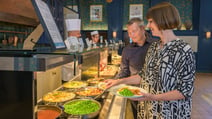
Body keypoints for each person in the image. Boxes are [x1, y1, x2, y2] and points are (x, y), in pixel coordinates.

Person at [105, 2, 196, 119]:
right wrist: (117, 82)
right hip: (148, 110)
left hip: (170, 113)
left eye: (151, 21)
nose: (148, 26)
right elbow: (143, 75)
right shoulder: (153, 47)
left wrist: (153, 97)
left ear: (162, 20)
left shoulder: (183, 50)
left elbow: (185, 91)